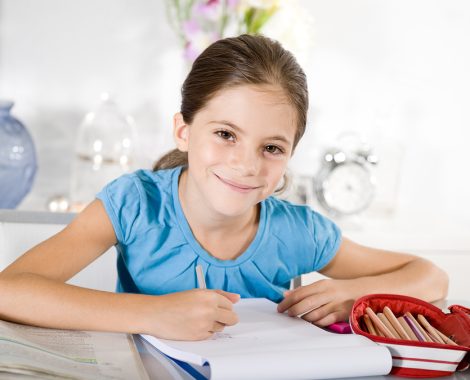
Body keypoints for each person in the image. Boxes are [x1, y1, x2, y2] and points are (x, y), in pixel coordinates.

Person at [0, 34, 448, 341]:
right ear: (184, 132)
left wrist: (354, 293)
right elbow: (10, 290)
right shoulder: (136, 203)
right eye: (226, 134)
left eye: (271, 147)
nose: (246, 165)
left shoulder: (299, 231)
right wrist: (153, 315)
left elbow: (430, 276)